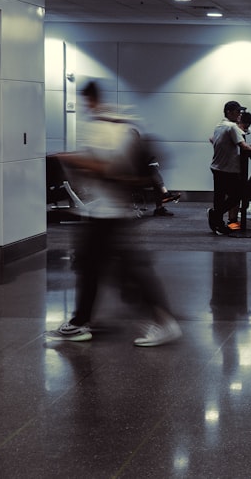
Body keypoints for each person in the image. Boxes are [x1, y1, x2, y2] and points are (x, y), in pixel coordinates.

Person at [46, 81, 182, 346]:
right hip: (108, 210)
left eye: (85, 101)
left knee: (124, 271)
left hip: (107, 212)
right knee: (92, 266)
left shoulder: (103, 127)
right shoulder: (123, 123)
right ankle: (81, 321)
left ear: (90, 99)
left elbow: (103, 166)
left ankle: (163, 321)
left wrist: (70, 158)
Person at [208, 101, 251, 234]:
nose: (240, 114)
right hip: (228, 169)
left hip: (217, 166)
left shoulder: (219, 125)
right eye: (237, 111)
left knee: (219, 197)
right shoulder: (232, 127)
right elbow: (244, 146)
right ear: (229, 112)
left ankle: (218, 224)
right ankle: (216, 215)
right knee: (239, 194)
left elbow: (211, 139)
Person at [227, 111, 251, 228]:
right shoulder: (234, 130)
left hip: (235, 166)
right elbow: (243, 146)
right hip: (233, 167)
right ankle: (230, 219)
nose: (246, 129)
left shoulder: (237, 130)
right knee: (234, 195)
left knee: (235, 195)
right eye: (246, 125)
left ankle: (232, 220)